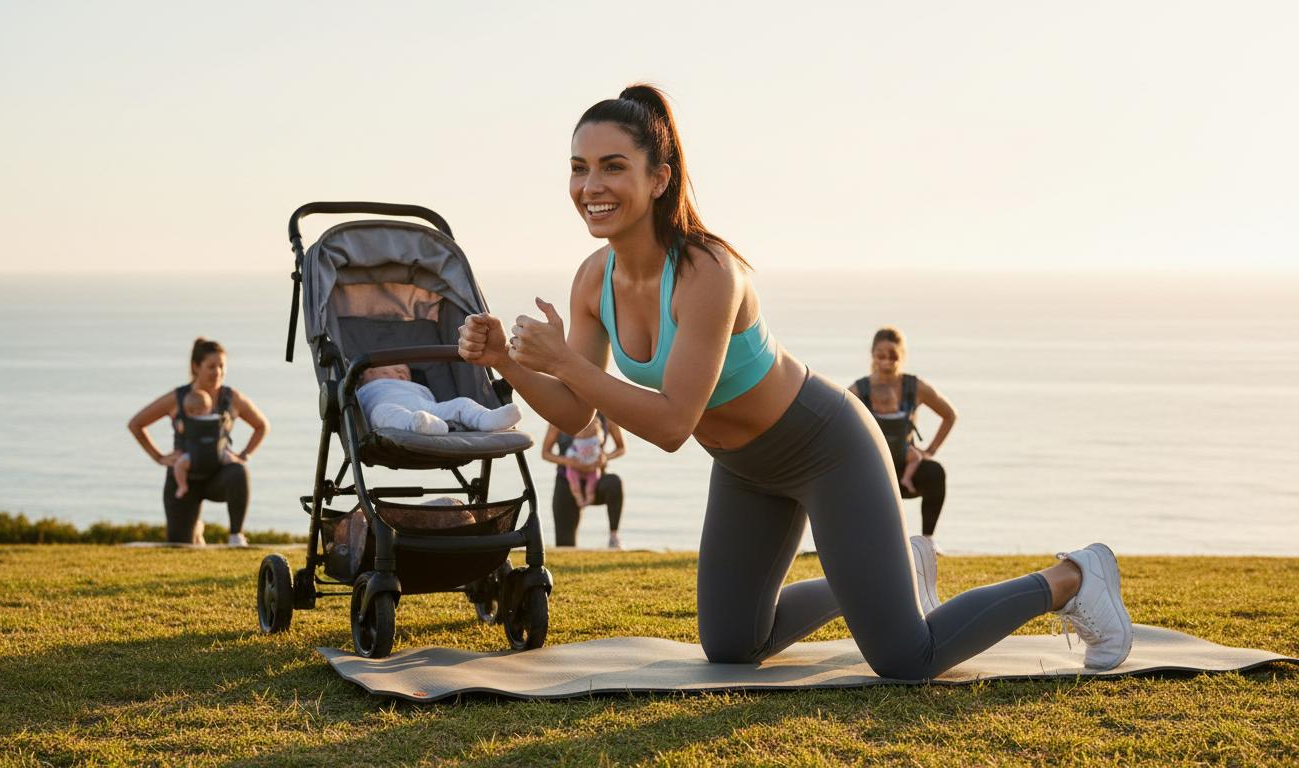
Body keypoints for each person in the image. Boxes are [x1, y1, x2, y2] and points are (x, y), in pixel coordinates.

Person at [459, 84, 1132, 677]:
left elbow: (671, 425)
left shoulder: (708, 272)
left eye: (613, 166)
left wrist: (564, 361)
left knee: (906, 657)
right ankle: (891, 573)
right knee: (731, 645)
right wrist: (509, 364)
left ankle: (1074, 576)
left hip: (825, 446)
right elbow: (575, 415)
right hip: (745, 469)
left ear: (659, 178)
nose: (591, 186)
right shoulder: (591, 281)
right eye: (578, 168)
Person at [128, 338, 269, 547]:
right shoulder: (177, 398)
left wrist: (244, 454)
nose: (217, 372)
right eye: (211, 366)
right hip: (184, 479)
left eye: (222, 366)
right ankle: (194, 527)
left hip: (218, 476)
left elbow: (261, 426)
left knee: (239, 471)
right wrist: (159, 457)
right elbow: (136, 424)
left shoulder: (232, 398)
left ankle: (236, 536)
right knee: (179, 546)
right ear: (196, 367)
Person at [850, 327, 957, 548]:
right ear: (872, 354)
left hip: (906, 468)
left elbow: (949, 415)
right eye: (881, 355)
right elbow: (833, 419)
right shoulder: (859, 390)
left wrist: (930, 451)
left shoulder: (915, 387)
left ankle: (928, 542)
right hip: (872, 468)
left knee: (935, 472)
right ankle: (858, 541)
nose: (886, 361)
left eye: (893, 355)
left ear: (902, 355)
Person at [355, 362, 521, 434]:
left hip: (429, 409)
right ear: (366, 374)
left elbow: (433, 403)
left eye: (404, 373)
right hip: (389, 407)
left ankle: (487, 418)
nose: (401, 374)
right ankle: (416, 424)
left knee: (461, 403)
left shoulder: (417, 387)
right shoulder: (365, 389)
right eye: (389, 371)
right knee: (382, 412)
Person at [541, 414, 627, 548]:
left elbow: (621, 448)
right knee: (565, 546)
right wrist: (569, 462)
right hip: (567, 481)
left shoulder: (606, 417)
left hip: (596, 479)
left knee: (614, 482)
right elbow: (545, 453)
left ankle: (614, 537)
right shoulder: (559, 416)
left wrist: (605, 458)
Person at [172, 388, 238, 499]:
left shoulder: (187, 422)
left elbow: (179, 428)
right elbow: (227, 425)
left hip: (194, 458)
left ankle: (182, 486)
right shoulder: (217, 419)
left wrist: (177, 421)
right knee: (233, 461)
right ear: (209, 407)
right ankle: (238, 470)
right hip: (217, 456)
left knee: (178, 466)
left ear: (187, 411)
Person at [564, 417, 604, 508]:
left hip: (592, 467)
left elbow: (600, 441)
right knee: (573, 481)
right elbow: (571, 453)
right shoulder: (576, 442)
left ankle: (590, 495)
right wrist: (571, 460)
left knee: (593, 482)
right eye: (584, 429)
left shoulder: (595, 439)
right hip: (576, 467)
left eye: (589, 428)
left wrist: (602, 458)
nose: (586, 431)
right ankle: (578, 497)